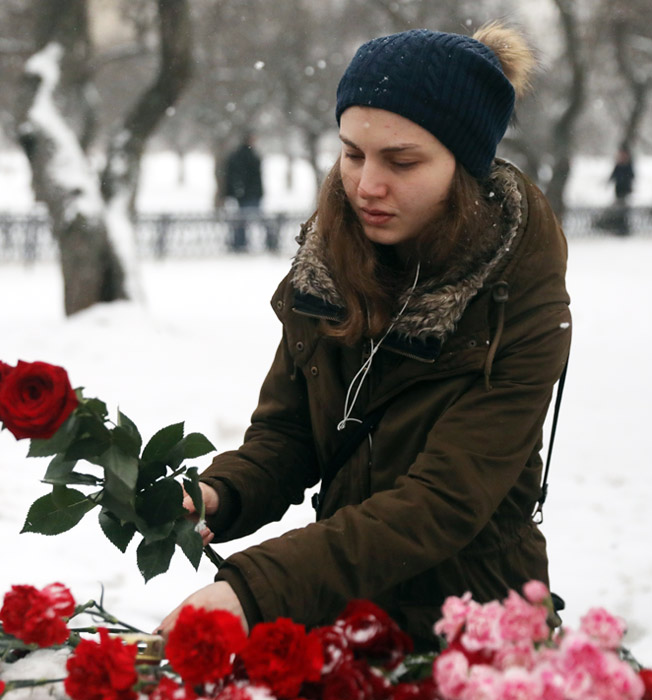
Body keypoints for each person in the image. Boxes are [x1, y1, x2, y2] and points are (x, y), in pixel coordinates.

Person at [159, 21, 571, 650]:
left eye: (401, 161)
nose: (367, 185)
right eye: (352, 153)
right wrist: (219, 493)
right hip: (344, 603)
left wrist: (256, 588)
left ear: (464, 166)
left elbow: (443, 501)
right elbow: (291, 433)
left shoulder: (520, 298)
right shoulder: (327, 266)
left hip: (474, 624)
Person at [223, 133, 274, 252]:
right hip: (249, 194)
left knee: (242, 221)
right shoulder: (249, 156)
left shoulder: (238, 155)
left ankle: (239, 243)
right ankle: (268, 242)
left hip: (244, 194)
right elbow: (244, 176)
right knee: (249, 219)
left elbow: (232, 176)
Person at [602, 144, 635, 235]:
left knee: (623, 210)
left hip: (625, 191)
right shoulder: (619, 165)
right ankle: (618, 226)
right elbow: (613, 175)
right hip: (618, 191)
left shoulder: (629, 165)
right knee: (618, 209)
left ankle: (623, 227)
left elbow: (631, 177)